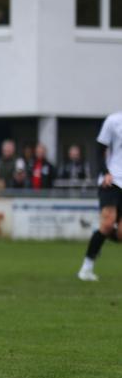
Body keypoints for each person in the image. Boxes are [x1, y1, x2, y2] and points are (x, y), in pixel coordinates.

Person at [77, 112, 122, 282]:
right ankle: (86, 269)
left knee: (120, 234)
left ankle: (99, 232)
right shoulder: (114, 121)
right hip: (112, 180)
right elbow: (99, 150)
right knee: (109, 222)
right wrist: (105, 172)